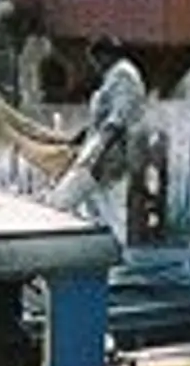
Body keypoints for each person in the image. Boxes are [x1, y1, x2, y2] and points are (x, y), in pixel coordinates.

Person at [45, 36, 147, 237]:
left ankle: (114, 252)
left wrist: (97, 154)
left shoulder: (123, 76)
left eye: (96, 60)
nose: (95, 65)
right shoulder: (114, 76)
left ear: (105, 55)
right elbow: (102, 119)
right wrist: (81, 136)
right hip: (100, 151)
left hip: (108, 155)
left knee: (66, 201)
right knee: (99, 208)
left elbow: (117, 120)